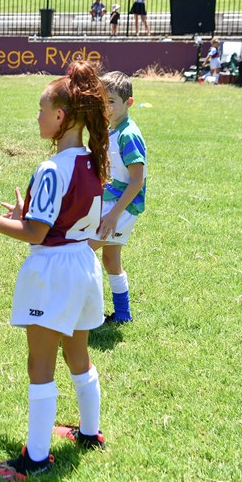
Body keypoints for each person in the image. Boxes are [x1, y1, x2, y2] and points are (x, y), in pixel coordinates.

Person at [0, 61, 109, 480]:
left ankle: (34, 460)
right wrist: (29, 213)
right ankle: (90, 433)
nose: (37, 117)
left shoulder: (52, 168)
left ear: (60, 116)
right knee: (78, 354)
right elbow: (63, 219)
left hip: (53, 272)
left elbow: (37, 233)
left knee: (40, 366)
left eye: (41, 110)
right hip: (83, 265)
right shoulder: (92, 160)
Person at [89, 71, 146, 324]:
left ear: (128, 103)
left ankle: (85, 311)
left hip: (121, 207)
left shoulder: (128, 135)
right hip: (112, 205)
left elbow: (137, 180)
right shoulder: (112, 130)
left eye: (111, 101)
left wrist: (113, 215)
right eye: (102, 101)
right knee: (111, 259)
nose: (106, 107)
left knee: (81, 251)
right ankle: (122, 315)